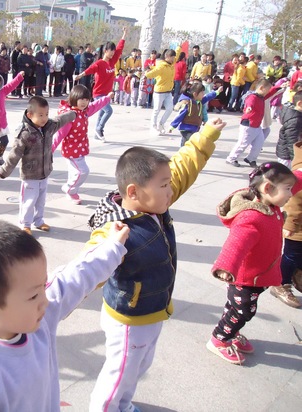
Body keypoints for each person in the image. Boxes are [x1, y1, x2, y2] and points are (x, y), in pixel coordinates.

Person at [87, 118, 227, 412]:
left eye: (168, 184)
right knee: (120, 372)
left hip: (152, 312)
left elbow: (183, 167)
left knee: (139, 366)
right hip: (128, 319)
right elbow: (91, 262)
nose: (170, 190)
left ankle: (123, 404)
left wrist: (205, 136)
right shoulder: (116, 228)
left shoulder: (154, 203)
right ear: (134, 191)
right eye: (164, 186)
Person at [0, 218, 129, 410]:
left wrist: (113, 247)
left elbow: (76, 276)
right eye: (33, 295)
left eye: (43, 285)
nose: (45, 300)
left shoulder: (36, 315)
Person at [207, 162, 299, 364]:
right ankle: (220, 339)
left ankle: (231, 331)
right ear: (267, 188)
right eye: (287, 189)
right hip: (245, 279)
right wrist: (225, 267)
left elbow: (297, 181)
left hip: (259, 275)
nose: (291, 194)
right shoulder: (252, 217)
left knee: (234, 307)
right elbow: (236, 245)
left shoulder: (271, 205)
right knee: (243, 311)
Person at [0, 96, 76, 233]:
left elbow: (61, 119)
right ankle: (25, 224)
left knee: (41, 201)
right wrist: (4, 170)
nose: (44, 118)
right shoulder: (24, 134)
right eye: (40, 115)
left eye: (46, 114)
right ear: (30, 115)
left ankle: (38, 221)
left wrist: (73, 113)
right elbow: (14, 154)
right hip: (30, 175)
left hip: (45, 172)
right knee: (28, 201)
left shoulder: (49, 126)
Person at [53, 85, 113, 204]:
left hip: (80, 148)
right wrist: (49, 150)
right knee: (83, 171)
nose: (84, 102)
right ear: (74, 98)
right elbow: (59, 135)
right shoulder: (70, 115)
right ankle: (70, 189)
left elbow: (95, 106)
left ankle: (72, 193)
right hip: (71, 150)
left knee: (74, 172)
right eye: (81, 99)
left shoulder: (84, 111)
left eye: (87, 100)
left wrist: (106, 98)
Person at [75, 29, 126, 142]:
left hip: (107, 94)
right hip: (98, 93)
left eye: (113, 50)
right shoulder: (99, 63)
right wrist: (80, 75)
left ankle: (97, 134)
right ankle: (99, 129)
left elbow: (120, 48)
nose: (112, 52)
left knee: (102, 112)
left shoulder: (113, 61)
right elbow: (89, 70)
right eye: (110, 50)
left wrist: (124, 35)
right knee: (108, 111)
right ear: (105, 51)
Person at [271, 141, 302, 308]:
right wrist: (289, 224)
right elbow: (294, 200)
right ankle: (281, 284)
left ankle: (297, 273)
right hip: (297, 226)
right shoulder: (300, 172)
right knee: (292, 255)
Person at [226, 79, 276, 167]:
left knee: (259, 144)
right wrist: (248, 108)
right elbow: (249, 103)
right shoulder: (252, 97)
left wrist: (279, 88)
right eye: (267, 90)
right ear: (261, 88)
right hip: (248, 124)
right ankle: (231, 158)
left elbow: (271, 93)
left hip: (257, 126)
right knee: (242, 144)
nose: (267, 92)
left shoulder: (262, 97)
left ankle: (251, 159)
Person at [170, 82, 222, 146]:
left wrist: (217, 92)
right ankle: (184, 154)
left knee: (188, 144)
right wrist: (172, 126)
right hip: (186, 129)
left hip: (195, 128)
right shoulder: (187, 103)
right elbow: (180, 115)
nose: (204, 94)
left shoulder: (199, 101)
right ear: (195, 94)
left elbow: (208, 97)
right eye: (202, 93)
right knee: (189, 144)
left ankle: (185, 153)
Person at [145, 48, 180, 135]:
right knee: (156, 110)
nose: (174, 59)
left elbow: (178, 55)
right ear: (167, 57)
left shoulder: (172, 64)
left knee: (169, 109)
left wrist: (179, 47)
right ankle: (153, 127)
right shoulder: (161, 66)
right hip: (159, 92)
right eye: (172, 57)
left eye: (174, 57)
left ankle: (161, 124)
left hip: (168, 92)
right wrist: (147, 71)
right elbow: (150, 74)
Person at [275, 91, 302, 168]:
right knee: (284, 178)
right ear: (300, 103)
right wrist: (296, 158)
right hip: (287, 156)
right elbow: (292, 141)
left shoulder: (293, 114)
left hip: (287, 153)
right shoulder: (295, 120)